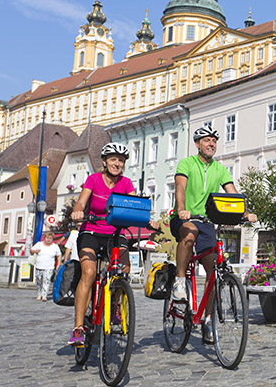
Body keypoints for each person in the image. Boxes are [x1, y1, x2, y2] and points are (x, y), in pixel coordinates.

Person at [170, 124, 257, 344]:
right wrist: (181, 209)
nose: (211, 144)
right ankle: (180, 281)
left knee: (213, 272)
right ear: (197, 144)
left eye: (214, 141)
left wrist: (245, 212)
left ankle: (207, 319)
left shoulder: (220, 169)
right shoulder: (186, 164)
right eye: (207, 140)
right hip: (185, 219)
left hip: (207, 222)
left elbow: (232, 193)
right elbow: (180, 189)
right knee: (188, 234)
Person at [67, 142, 158, 346]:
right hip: (91, 231)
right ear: (105, 162)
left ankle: (115, 303)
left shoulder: (126, 184)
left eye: (121, 161)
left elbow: (135, 206)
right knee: (89, 273)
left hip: (115, 233)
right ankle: (78, 328)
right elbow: (82, 201)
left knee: (124, 268)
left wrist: (148, 219)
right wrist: (78, 210)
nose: (117, 164)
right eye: (113, 159)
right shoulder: (93, 179)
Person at [30, 231, 62, 301]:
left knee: (46, 281)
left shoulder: (55, 246)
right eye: (47, 238)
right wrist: (35, 251)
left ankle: (44, 295)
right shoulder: (39, 244)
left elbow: (59, 255)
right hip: (39, 266)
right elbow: (31, 250)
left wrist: (58, 265)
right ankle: (39, 294)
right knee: (39, 281)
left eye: (50, 238)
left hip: (49, 267)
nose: (48, 239)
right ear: (44, 238)